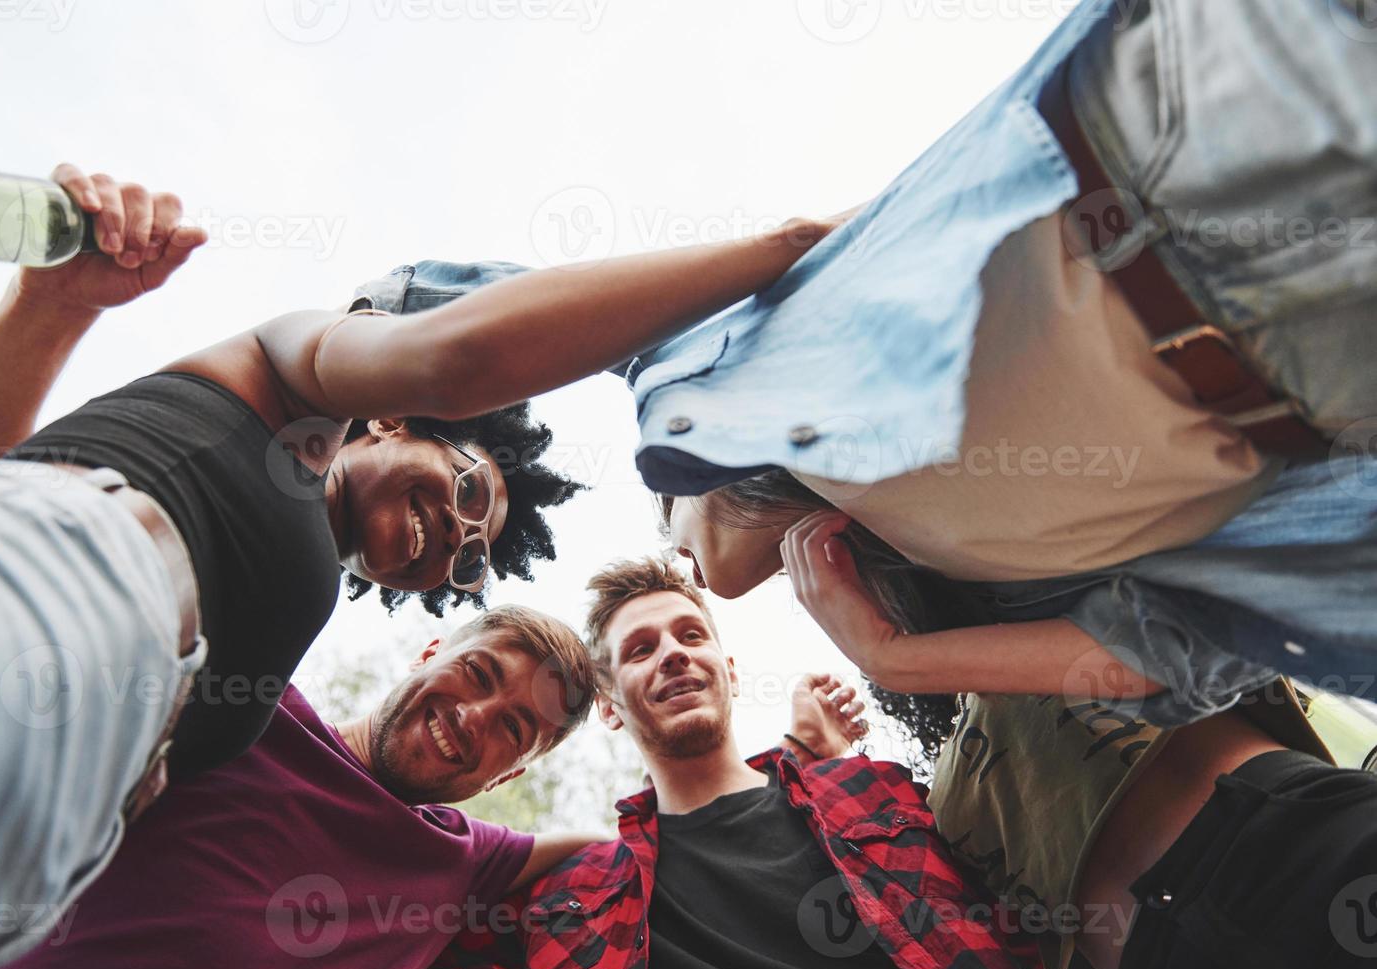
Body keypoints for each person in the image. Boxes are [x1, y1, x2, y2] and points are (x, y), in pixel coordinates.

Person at [0, 164, 844, 969]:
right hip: (37, 589)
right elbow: (458, 354)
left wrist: (799, 770)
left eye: (471, 556)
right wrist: (781, 249)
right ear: (400, 420)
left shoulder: (288, 718)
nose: (457, 537)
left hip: (6, 842)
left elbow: (648, 849)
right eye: (468, 490)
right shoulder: (289, 382)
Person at [363, 0, 1377, 726]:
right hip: (1329, 374)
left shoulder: (714, 345)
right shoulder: (979, 577)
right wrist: (892, 656)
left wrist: (343, 408)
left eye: (665, 522)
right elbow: (1164, 654)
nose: (684, 572)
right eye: (464, 555)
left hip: (1203, 121)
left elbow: (445, 318)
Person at [660, 473, 1377, 969]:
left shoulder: (992, 534)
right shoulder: (941, 741)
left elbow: (1145, 658)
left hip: (1281, 849)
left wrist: (890, 656)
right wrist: (821, 752)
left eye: (669, 498)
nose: (677, 553)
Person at [430, 558, 1040, 969]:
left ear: (730, 672)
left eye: (690, 635)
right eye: (641, 650)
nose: (673, 654)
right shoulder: (570, 894)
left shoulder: (868, 788)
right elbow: (395, 926)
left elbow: (1015, 917)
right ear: (610, 708)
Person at [0, 605, 599, 969]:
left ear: (509, 775)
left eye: (513, 728)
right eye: (477, 673)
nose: (474, 716)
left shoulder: (466, 861)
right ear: (428, 652)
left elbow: (627, 844)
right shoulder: (251, 713)